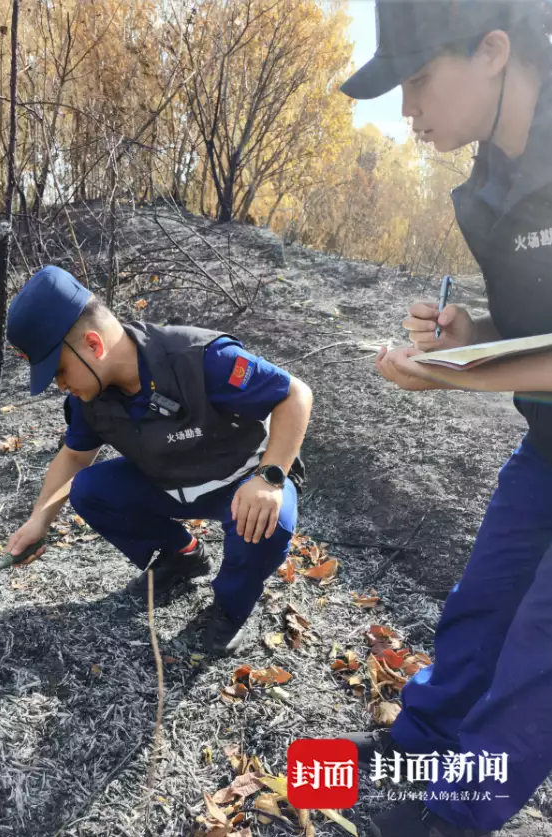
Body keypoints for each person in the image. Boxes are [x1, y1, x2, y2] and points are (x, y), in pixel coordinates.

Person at [340, 2, 552, 836]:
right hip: (546, 447)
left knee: (538, 653)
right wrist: (468, 340)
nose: (407, 110)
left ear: (494, 50)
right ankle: (420, 744)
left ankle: (449, 818)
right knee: (481, 606)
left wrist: (455, 377)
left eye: (419, 78)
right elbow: (528, 335)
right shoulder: (482, 194)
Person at [4, 265, 312, 655]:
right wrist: (38, 522)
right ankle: (182, 557)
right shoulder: (91, 398)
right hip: (172, 483)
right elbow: (74, 456)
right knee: (90, 490)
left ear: (93, 345)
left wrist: (269, 478)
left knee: (270, 522)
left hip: (242, 480)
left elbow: (295, 395)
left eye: (60, 372)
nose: (62, 385)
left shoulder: (199, 358)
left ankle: (233, 607)